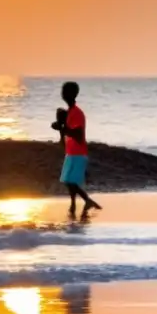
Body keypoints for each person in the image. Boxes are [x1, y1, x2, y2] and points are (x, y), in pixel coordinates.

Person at [51, 81, 102, 219]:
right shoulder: (69, 113)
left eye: (64, 91)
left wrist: (62, 128)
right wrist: (60, 127)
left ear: (71, 94)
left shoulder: (77, 113)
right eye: (62, 91)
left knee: (70, 180)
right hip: (71, 151)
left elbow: (78, 135)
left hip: (78, 152)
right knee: (68, 180)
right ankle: (74, 204)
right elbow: (66, 133)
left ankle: (87, 201)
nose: (62, 94)